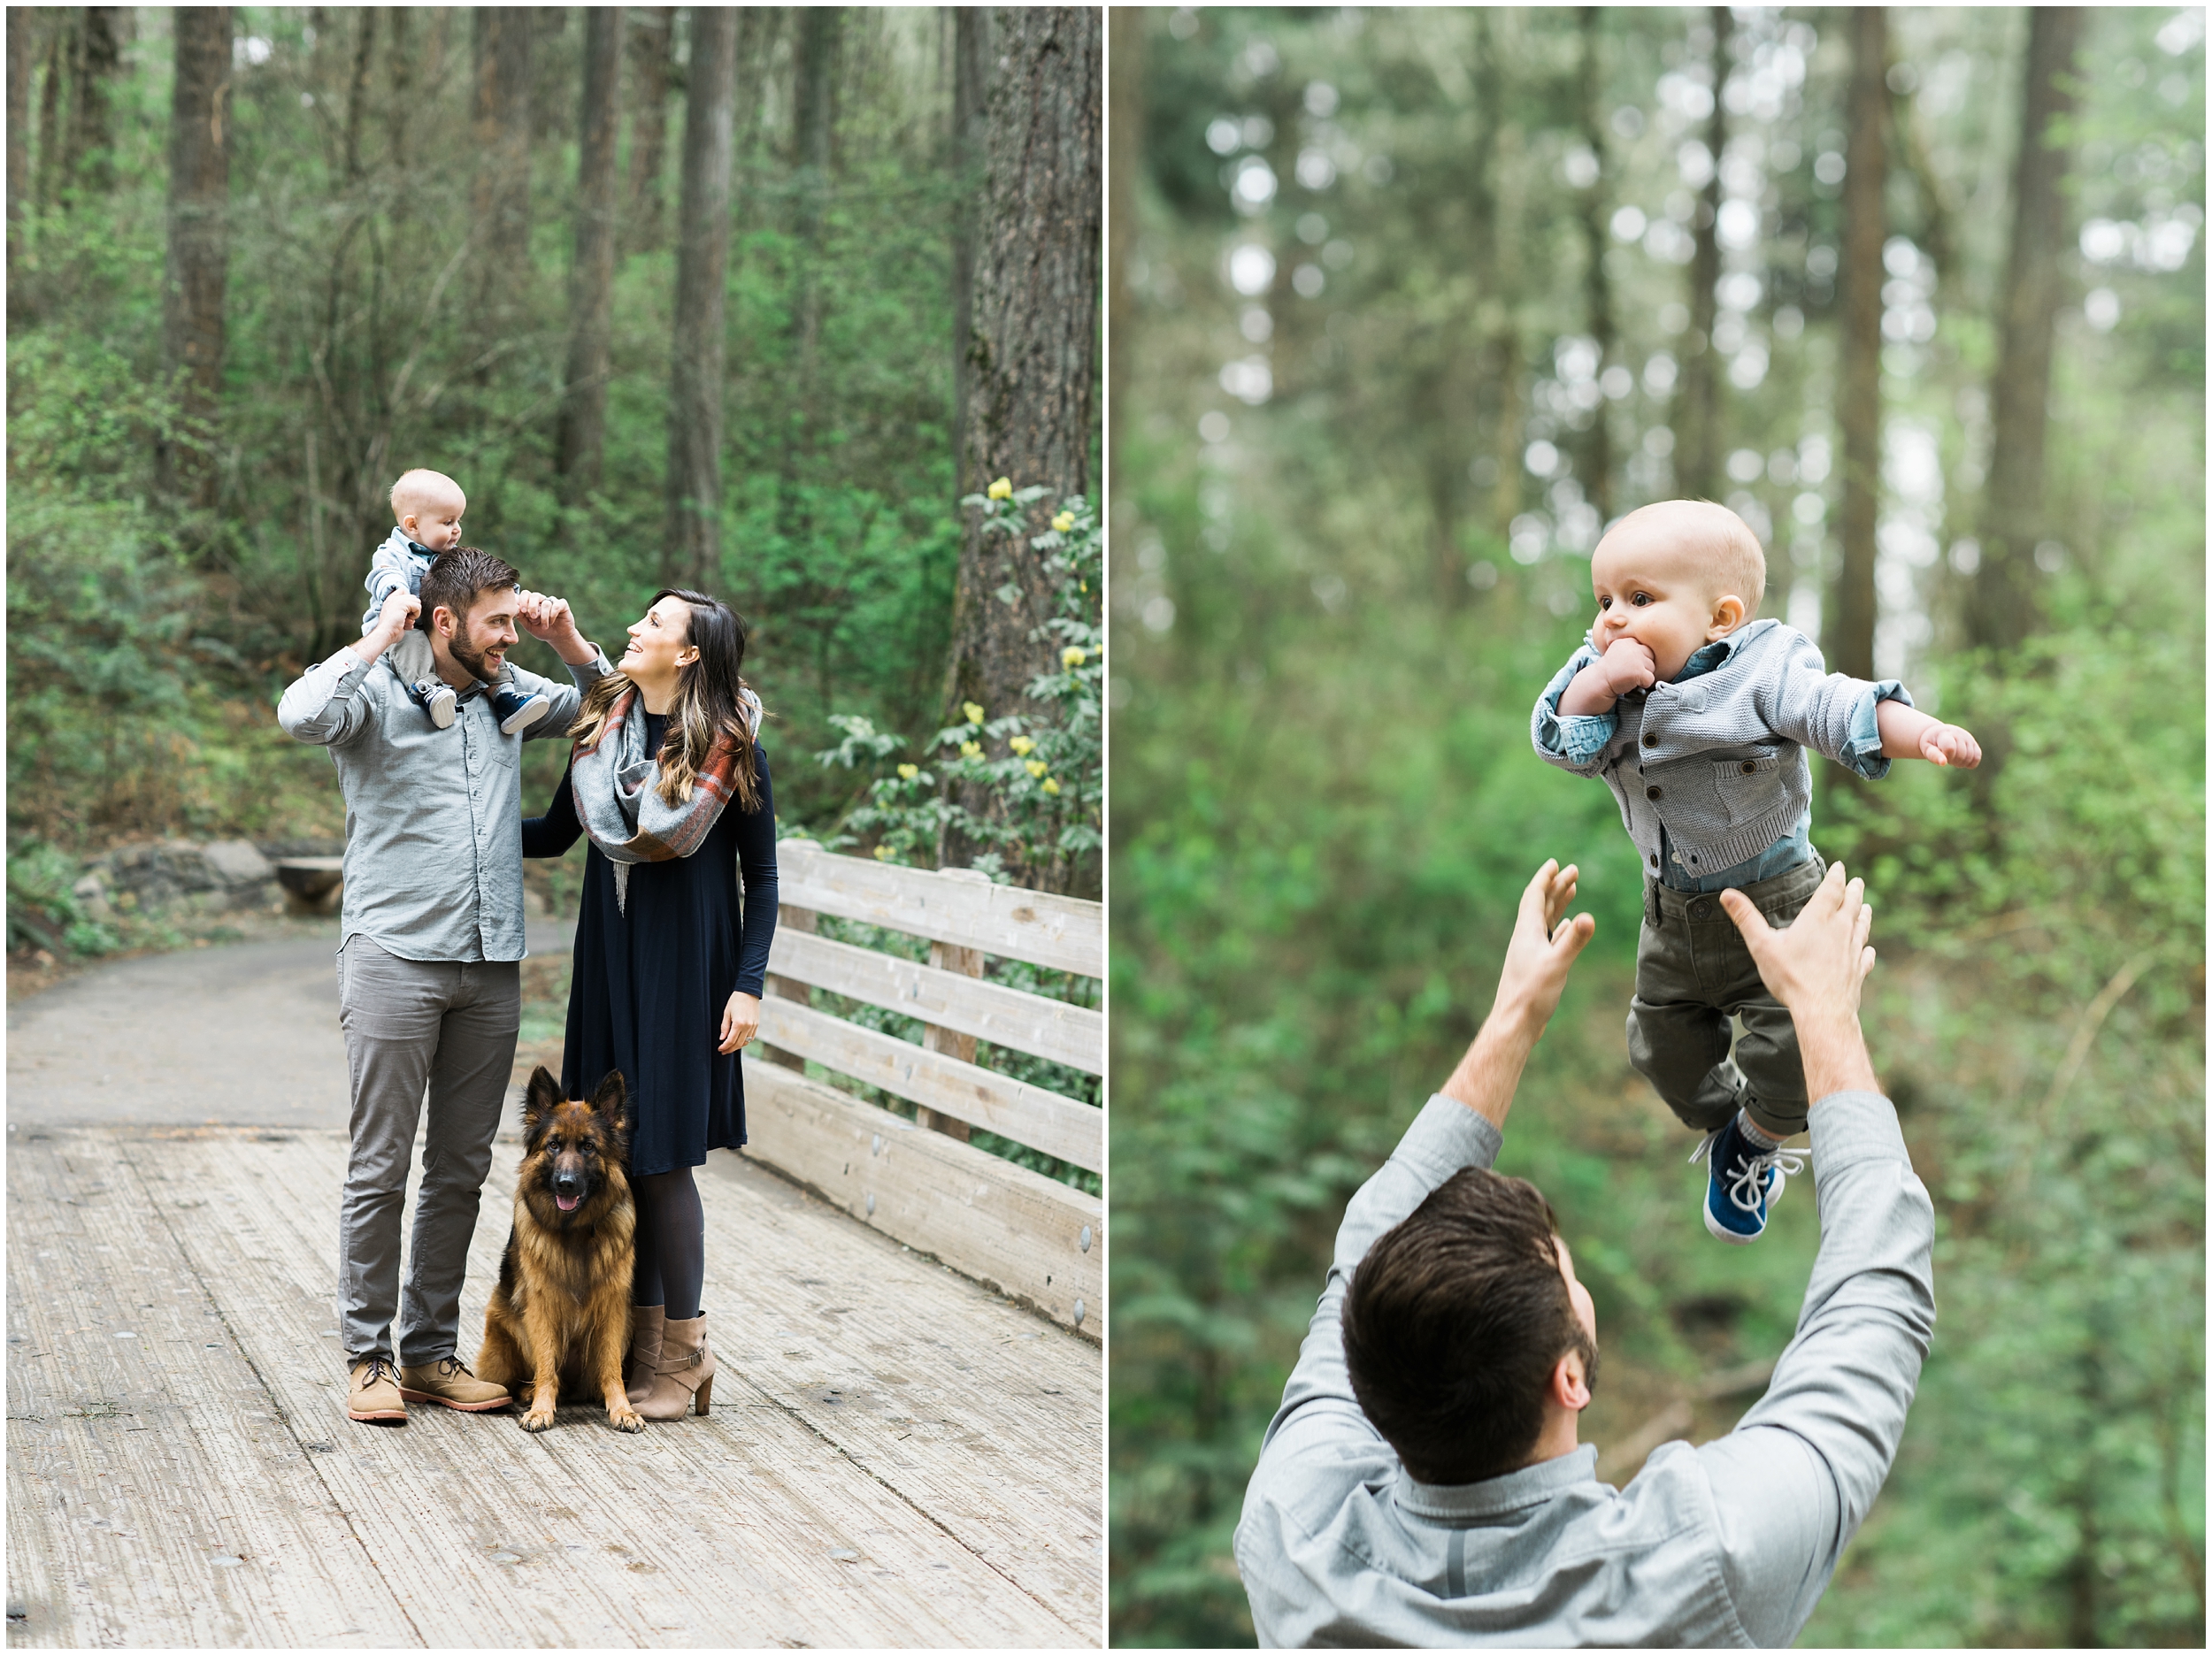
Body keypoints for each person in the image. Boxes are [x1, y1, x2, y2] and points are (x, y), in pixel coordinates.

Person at [1236, 857, 1936, 1646]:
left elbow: (1364, 1254)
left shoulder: (1296, 1534)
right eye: (1568, 1274)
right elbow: (1875, 1309)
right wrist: (1824, 1012)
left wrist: (1516, 1014)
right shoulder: (1699, 1564)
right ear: (1567, 1377)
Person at [1531, 499, 1979, 1242]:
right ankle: (1731, 1135)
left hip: (1777, 904)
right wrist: (1598, 687)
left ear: (1720, 617)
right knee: (1659, 1048)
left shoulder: (1764, 669)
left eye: (1639, 599)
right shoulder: (1599, 676)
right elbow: (1561, 742)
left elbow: (1836, 708)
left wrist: (1920, 731)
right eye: (1603, 599)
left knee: (1794, 1049)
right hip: (1672, 916)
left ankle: (1764, 1134)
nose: (1612, 618)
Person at [278, 546, 612, 1425]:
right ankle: (367, 1355)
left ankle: (428, 1352)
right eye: (497, 622)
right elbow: (298, 712)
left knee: (460, 1166)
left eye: (513, 620)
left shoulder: (507, 696)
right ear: (441, 621)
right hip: (393, 952)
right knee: (381, 1162)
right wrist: (374, 637)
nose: (510, 635)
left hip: (490, 959)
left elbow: (612, 707)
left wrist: (568, 638)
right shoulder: (379, 696)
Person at [521, 587, 779, 1421]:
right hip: (610, 959)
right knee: (620, 1153)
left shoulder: (730, 747)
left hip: (687, 966)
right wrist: (455, 817)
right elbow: (557, 833)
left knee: (664, 1157)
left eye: (656, 623)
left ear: (691, 652)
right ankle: (633, 1350)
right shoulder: (602, 731)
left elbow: (763, 879)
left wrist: (749, 983)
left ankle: (685, 1358)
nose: (636, 628)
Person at [365, 468, 550, 735]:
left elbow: (480, 583)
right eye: (448, 522)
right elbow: (384, 574)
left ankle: (506, 697)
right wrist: (397, 594)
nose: (457, 530)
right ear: (413, 525)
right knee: (410, 645)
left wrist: (514, 601)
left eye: (458, 521)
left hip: (439, 628)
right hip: (402, 629)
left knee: (482, 644)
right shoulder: (392, 553)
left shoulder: (448, 555)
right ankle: (428, 691)